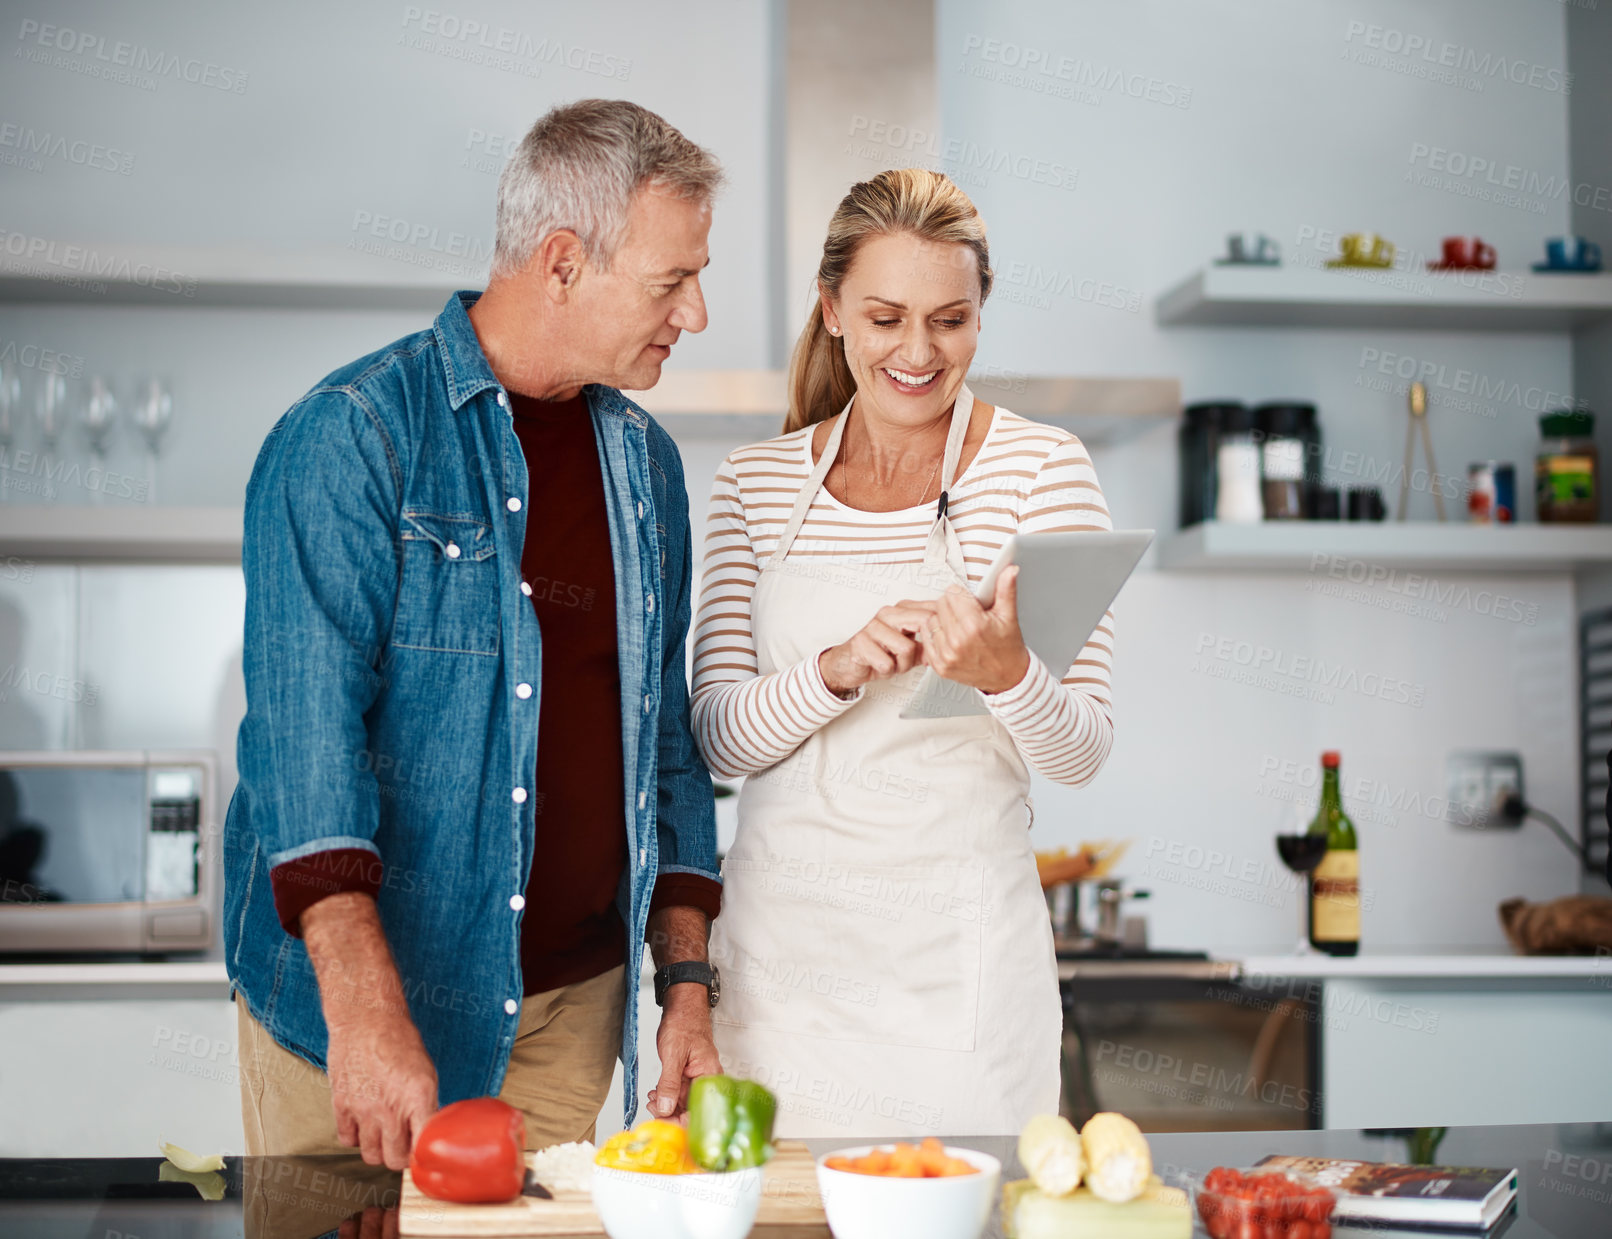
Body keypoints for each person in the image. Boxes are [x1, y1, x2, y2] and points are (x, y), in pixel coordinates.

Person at [226, 99, 727, 1170]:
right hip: (360, 1018)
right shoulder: (354, 436)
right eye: (670, 281)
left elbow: (665, 745)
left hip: (566, 1025)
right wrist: (364, 1016)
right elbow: (303, 749)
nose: (695, 312)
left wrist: (685, 983)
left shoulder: (645, 467)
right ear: (559, 262)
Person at [692, 168, 1117, 1137]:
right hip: (780, 978)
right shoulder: (754, 485)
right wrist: (832, 670)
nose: (919, 352)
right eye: (885, 318)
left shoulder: (1042, 471)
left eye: (950, 320)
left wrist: (1003, 674)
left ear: (980, 314)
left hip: (959, 979)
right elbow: (715, 739)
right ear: (832, 309)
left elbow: (1082, 752)